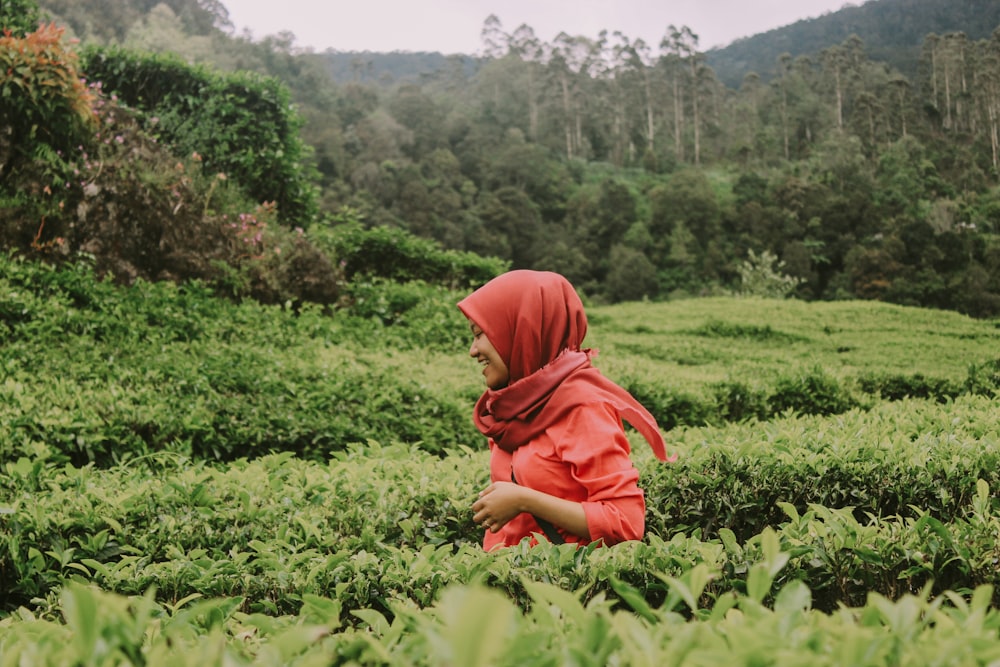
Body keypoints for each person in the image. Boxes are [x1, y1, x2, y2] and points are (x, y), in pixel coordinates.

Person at [457, 270, 675, 550]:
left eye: (479, 335)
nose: (473, 350)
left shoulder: (582, 408)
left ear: (521, 331)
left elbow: (626, 522)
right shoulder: (511, 409)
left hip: (566, 587)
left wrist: (524, 500)